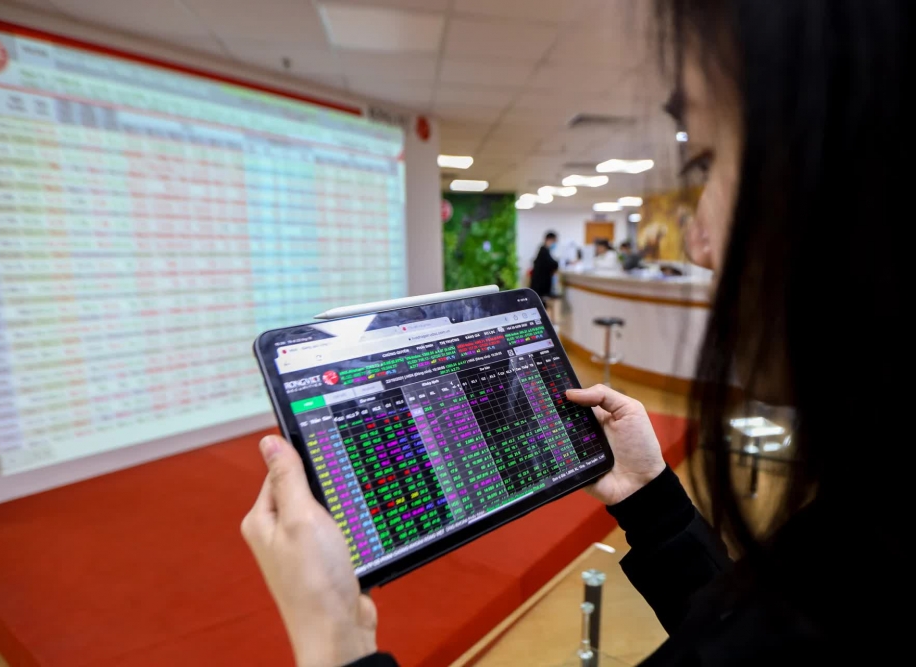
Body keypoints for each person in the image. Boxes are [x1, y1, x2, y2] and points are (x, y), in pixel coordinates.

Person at [242, 0, 905, 664]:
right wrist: (653, 499)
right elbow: (741, 635)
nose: (697, 243)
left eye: (706, 162)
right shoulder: (861, 536)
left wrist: (337, 644)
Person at [528, 231, 560, 305]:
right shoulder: (544, 251)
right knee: (540, 305)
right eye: (554, 241)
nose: (555, 244)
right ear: (549, 240)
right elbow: (553, 264)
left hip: (540, 287)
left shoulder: (544, 250)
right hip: (540, 287)